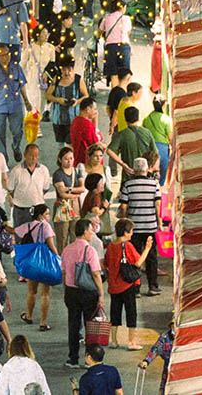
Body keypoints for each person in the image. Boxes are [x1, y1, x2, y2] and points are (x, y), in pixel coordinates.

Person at [103, 218, 153, 350]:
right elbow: (138, 263)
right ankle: (131, 342)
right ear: (125, 232)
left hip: (113, 286)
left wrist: (109, 278)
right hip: (127, 285)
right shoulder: (127, 246)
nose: (132, 234)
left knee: (115, 313)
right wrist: (147, 248)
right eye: (131, 231)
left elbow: (105, 264)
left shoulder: (111, 246)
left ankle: (114, 340)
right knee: (131, 313)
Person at [62, 218, 105, 367]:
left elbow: (64, 272)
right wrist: (101, 293)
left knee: (73, 325)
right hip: (88, 293)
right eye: (91, 230)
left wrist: (65, 290)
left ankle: (73, 359)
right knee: (90, 326)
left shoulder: (67, 249)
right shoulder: (90, 250)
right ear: (85, 231)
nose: (92, 233)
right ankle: (90, 359)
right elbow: (95, 274)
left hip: (71, 291)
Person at [117, 157, 162, 296]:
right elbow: (157, 205)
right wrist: (159, 223)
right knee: (151, 257)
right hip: (150, 227)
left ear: (134, 169)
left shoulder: (128, 185)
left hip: (133, 228)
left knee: (134, 257)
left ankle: (135, 288)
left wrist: (125, 221)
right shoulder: (154, 184)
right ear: (147, 169)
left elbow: (124, 206)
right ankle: (153, 286)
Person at [0, 42, 32, 163]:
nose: (6, 57)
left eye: (7, 54)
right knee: (0, 133)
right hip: (0, 106)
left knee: (17, 131)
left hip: (16, 105)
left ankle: (16, 147)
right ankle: (3, 156)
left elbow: (22, 86)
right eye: (2, 55)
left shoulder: (16, 67)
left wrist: (27, 101)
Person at [14, 203, 58, 329]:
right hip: (45, 262)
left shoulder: (28, 225)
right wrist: (58, 258)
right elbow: (51, 245)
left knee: (31, 291)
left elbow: (15, 231)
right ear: (40, 216)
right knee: (45, 293)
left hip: (32, 263)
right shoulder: (46, 226)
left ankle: (29, 316)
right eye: (47, 214)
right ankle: (43, 322)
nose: (49, 217)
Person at [6, 143, 52, 228]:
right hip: (21, 211)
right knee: (21, 238)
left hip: (39, 211)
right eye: (31, 155)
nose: (34, 158)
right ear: (24, 155)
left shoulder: (44, 170)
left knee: (39, 236)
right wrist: (22, 198)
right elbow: (11, 190)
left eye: (36, 156)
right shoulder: (16, 171)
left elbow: (45, 189)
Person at [107, 106, 157, 183]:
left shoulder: (122, 134)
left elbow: (109, 151)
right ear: (138, 117)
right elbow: (155, 153)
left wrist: (123, 164)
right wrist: (151, 169)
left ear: (125, 119)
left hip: (129, 176)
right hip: (145, 175)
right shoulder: (147, 132)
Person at [51, 146, 87, 251]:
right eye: (66, 159)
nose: (69, 161)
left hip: (75, 206)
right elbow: (62, 193)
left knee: (75, 233)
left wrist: (69, 189)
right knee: (62, 235)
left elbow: (82, 188)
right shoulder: (58, 174)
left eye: (71, 158)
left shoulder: (76, 171)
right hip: (62, 206)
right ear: (60, 159)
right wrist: (74, 194)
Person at [46, 57, 86, 144]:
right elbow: (48, 95)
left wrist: (77, 101)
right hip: (58, 119)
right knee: (59, 146)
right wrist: (58, 100)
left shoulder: (78, 80)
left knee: (71, 145)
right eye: (64, 70)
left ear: (73, 69)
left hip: (74, 119)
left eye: (69, 69)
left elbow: (86, 96)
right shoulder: (57, 79)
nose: (67, 73)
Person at [100, 0, 132, 88]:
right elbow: (128, 33)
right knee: (125, 73)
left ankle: (115, 95)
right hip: (124, 47)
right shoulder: (126, 18)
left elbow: (100, 31)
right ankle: (124, 94)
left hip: (111, 47)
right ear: (122, 8)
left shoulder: (107, 17)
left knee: (113, 74)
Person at [141, 99, 172, 186]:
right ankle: (159, 188)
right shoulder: (166, 120)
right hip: (163, 148)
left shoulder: (147, 118)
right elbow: (170, 137)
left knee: (148, 168)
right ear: (163, 106)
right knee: (162, 170)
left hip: (149, 147)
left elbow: (144, 133)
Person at [140, 324, 176, 395]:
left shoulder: (186, 336)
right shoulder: (165, 337)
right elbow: (155, 349)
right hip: (168, 371)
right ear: (171, 326)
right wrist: (146, 361)